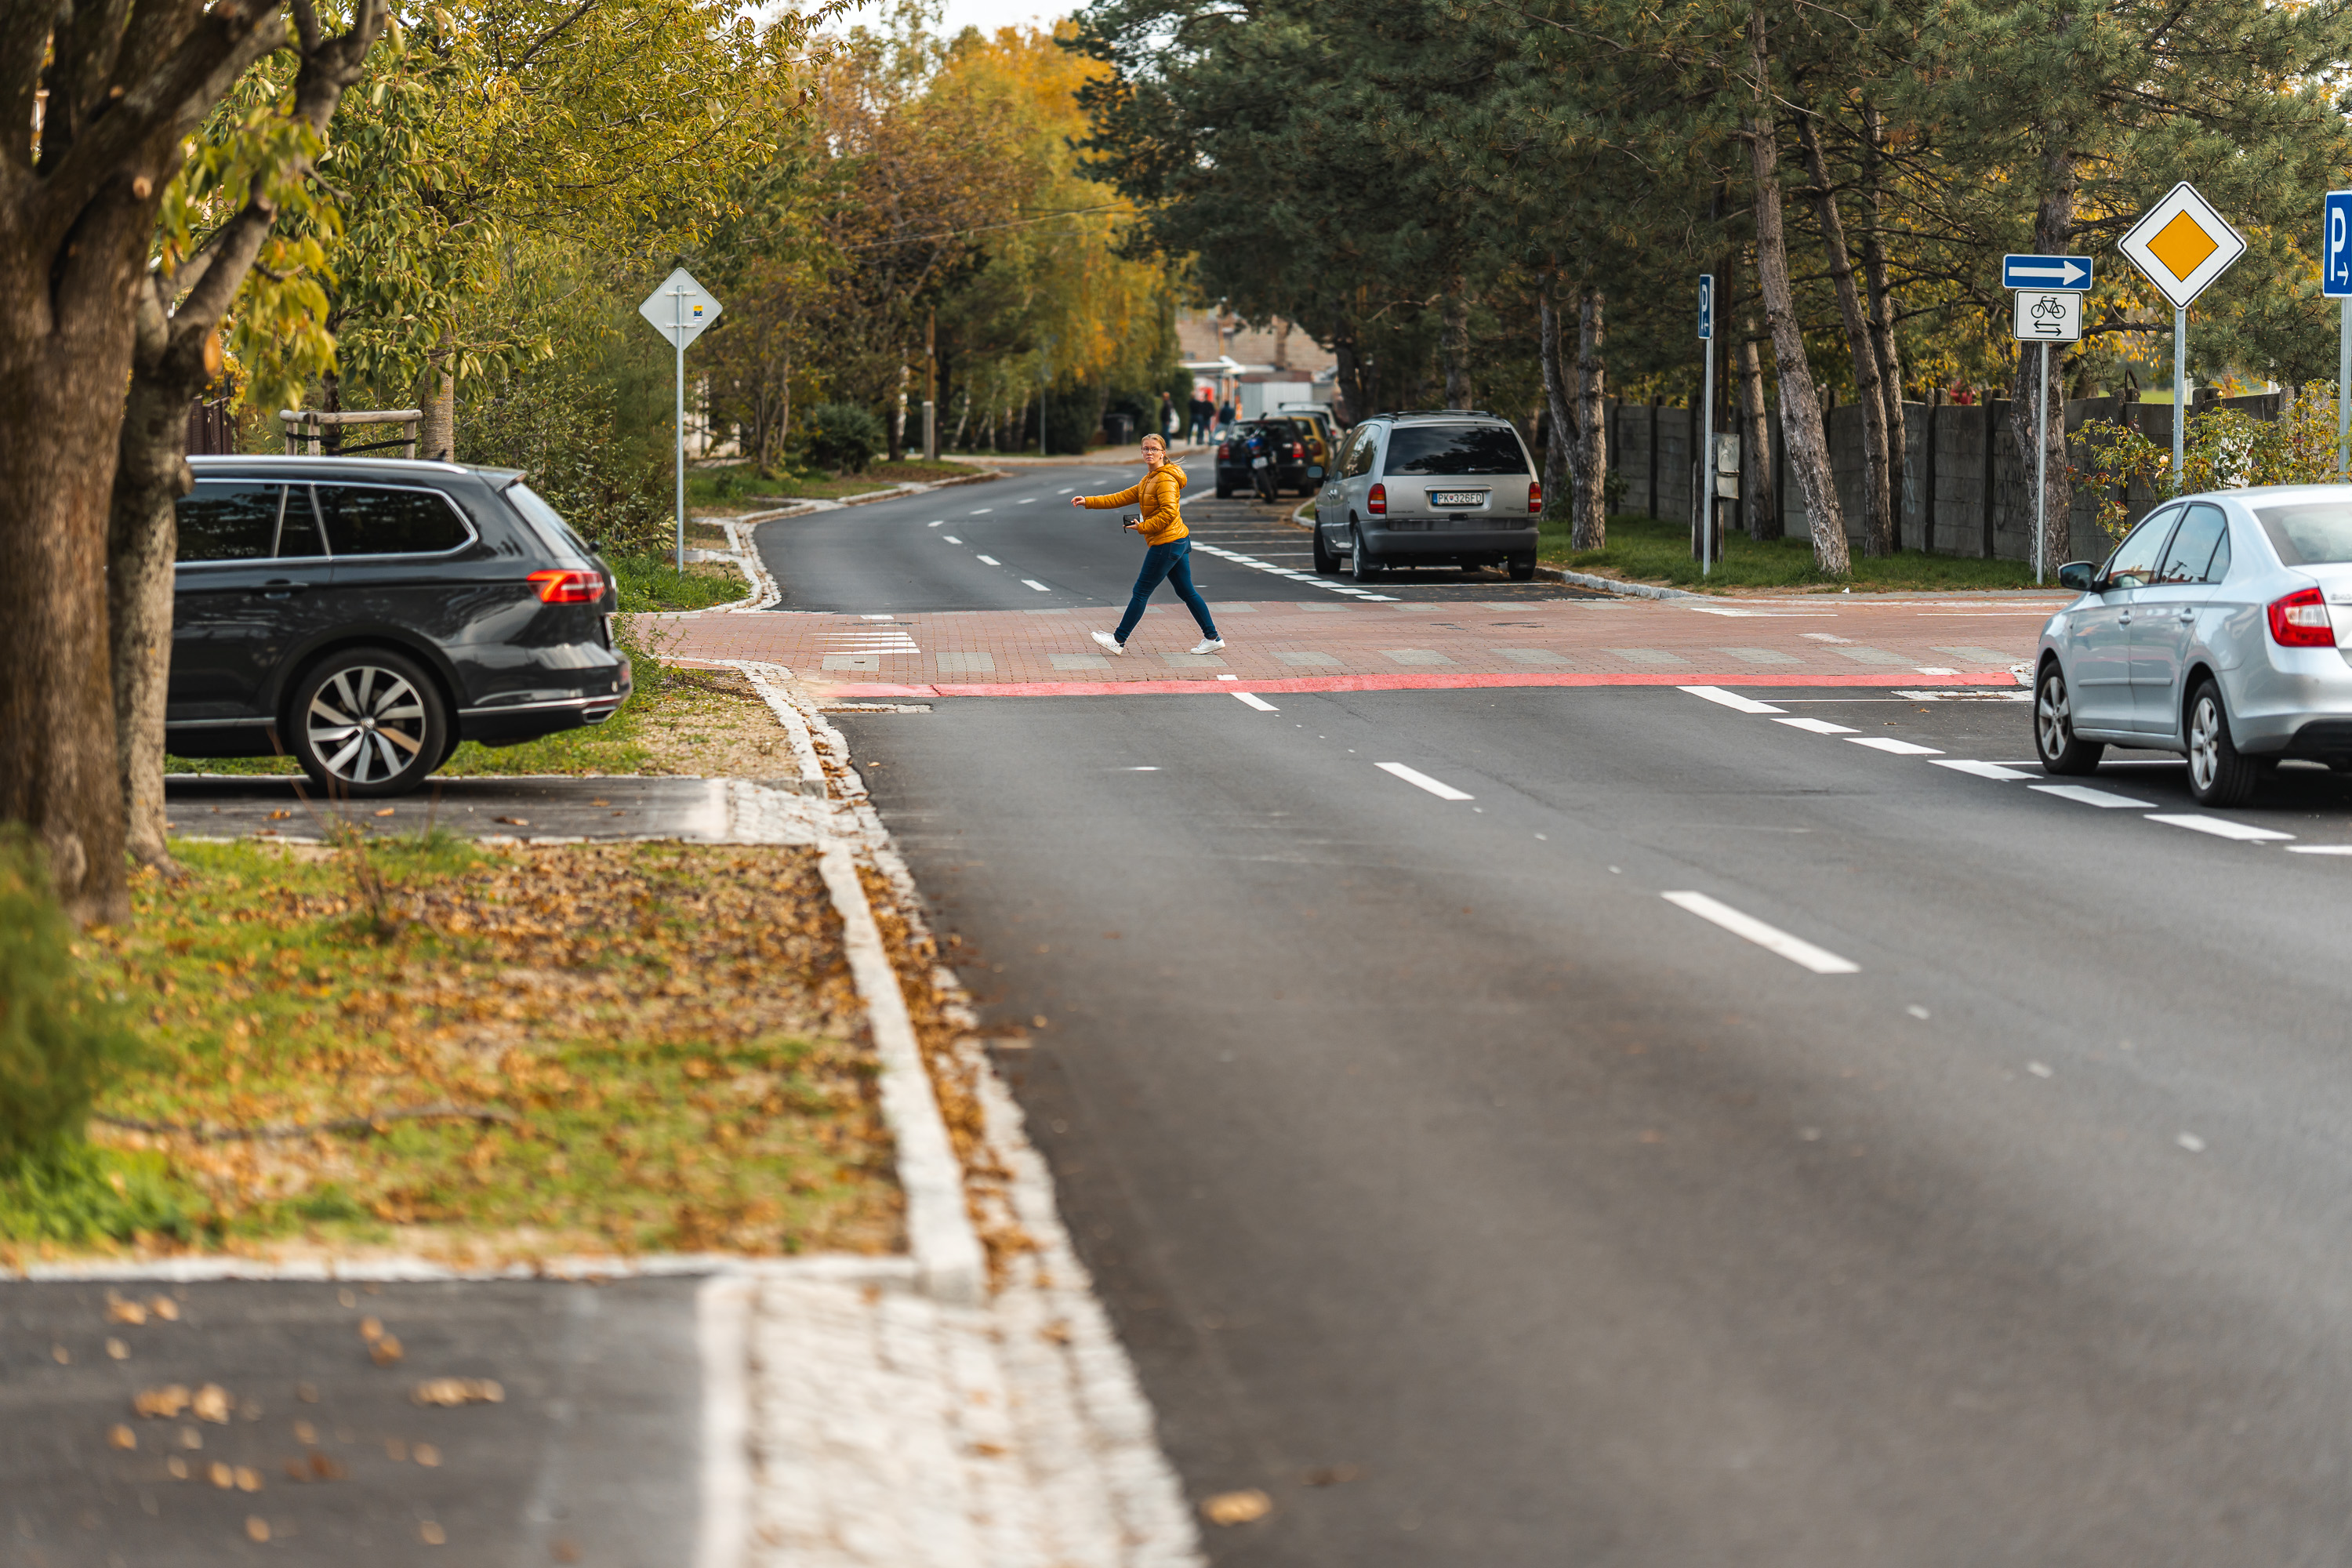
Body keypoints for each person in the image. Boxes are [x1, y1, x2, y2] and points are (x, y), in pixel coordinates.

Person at [1071, 433, 1223, 657]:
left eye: (1153, 449)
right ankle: (1213, 638)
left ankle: (1118, 640)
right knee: (1186, 591)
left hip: (1167, 542)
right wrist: (1089, 501)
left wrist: (1143, 526)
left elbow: (1169, 513)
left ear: (1163, 452)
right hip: (1177, 540)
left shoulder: (1165, 480)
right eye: (1145, 449)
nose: (1149, 453)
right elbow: (1120, 497)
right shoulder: (1149, 479)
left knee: (1141, 591)